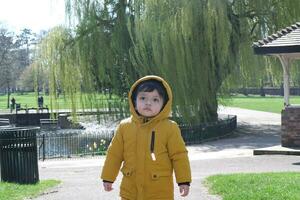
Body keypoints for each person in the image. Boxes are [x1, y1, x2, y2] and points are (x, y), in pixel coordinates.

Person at [101, 75, 192, 200]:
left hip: (159, 192)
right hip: (130, 191)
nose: (148, 103)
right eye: (143, 98)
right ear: (134, 101)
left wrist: (184, 181)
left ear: (164, 105)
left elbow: (179, 156)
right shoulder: (124, 127)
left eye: (155, 100)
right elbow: (114, 154)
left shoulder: (170, 128)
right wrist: (108, 177)